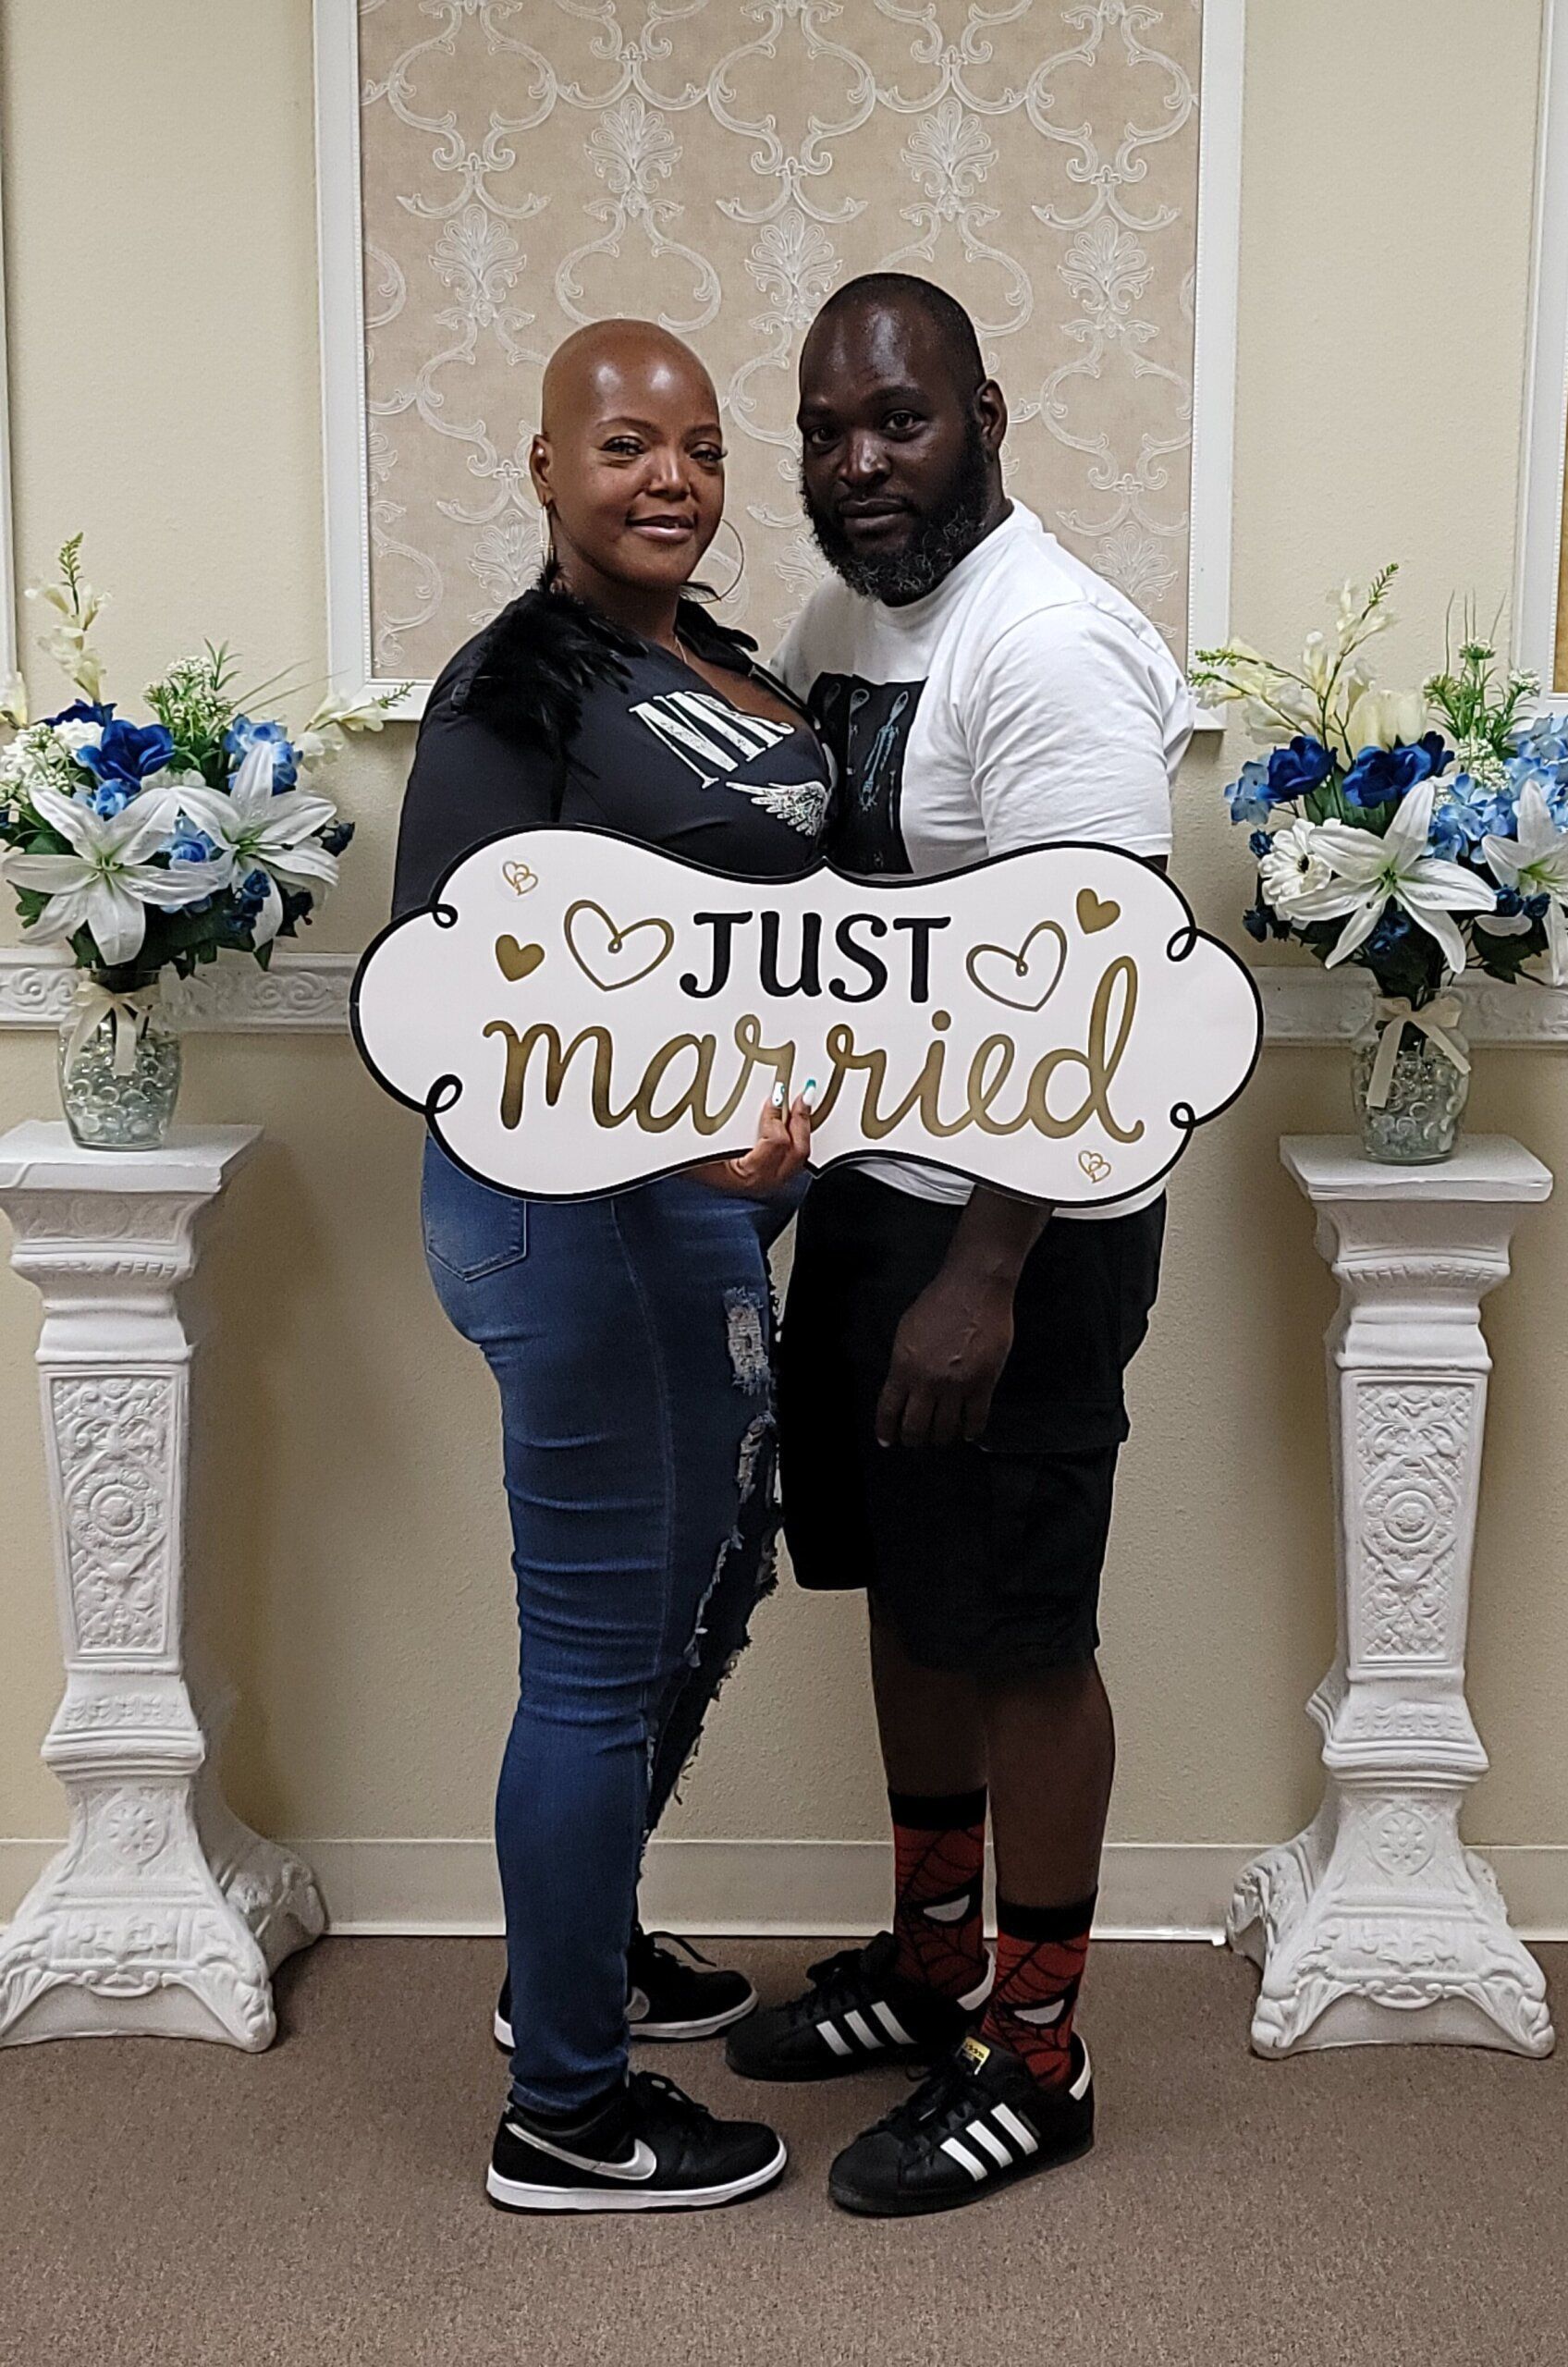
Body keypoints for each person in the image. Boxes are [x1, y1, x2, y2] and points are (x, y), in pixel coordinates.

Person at [726, 274, 1193, 2217]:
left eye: (897, 423)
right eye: (828, 431)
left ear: (985, 412)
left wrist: (987, 1271)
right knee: (907, 1597)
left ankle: (1043, 2041)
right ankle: (932, 1966)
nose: (858, 465)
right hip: (875, 1203)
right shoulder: (847, 620)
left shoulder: (1054, 645)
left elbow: (1101, 999)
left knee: (1018, 1627)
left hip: (1023, 1235)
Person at [393, 319, 827, 2214]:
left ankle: (581, 1945)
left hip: (704, 1212)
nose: (673, 477)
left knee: (700, 1598)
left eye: (704, 448)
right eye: (629, 442)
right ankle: (564, 2106)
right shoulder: (513, 689)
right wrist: (677, 1142)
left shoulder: (718, 662)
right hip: (563, 1216)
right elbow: (450, 1001)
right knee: (589, 1661)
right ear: (546, 462)